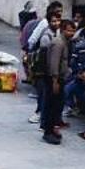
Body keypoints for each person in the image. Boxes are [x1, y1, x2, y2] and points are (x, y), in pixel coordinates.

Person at [29, 12, 66, 144]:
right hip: (48, 75)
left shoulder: (59, 37)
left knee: (55, 102)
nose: (56, 23)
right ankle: (47, 128)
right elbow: (51, 61)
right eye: (54, 21)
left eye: (58, 20)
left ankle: (53, 126)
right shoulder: (48, 38)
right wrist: (53, 78)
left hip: (54, 75)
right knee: (48, 102)